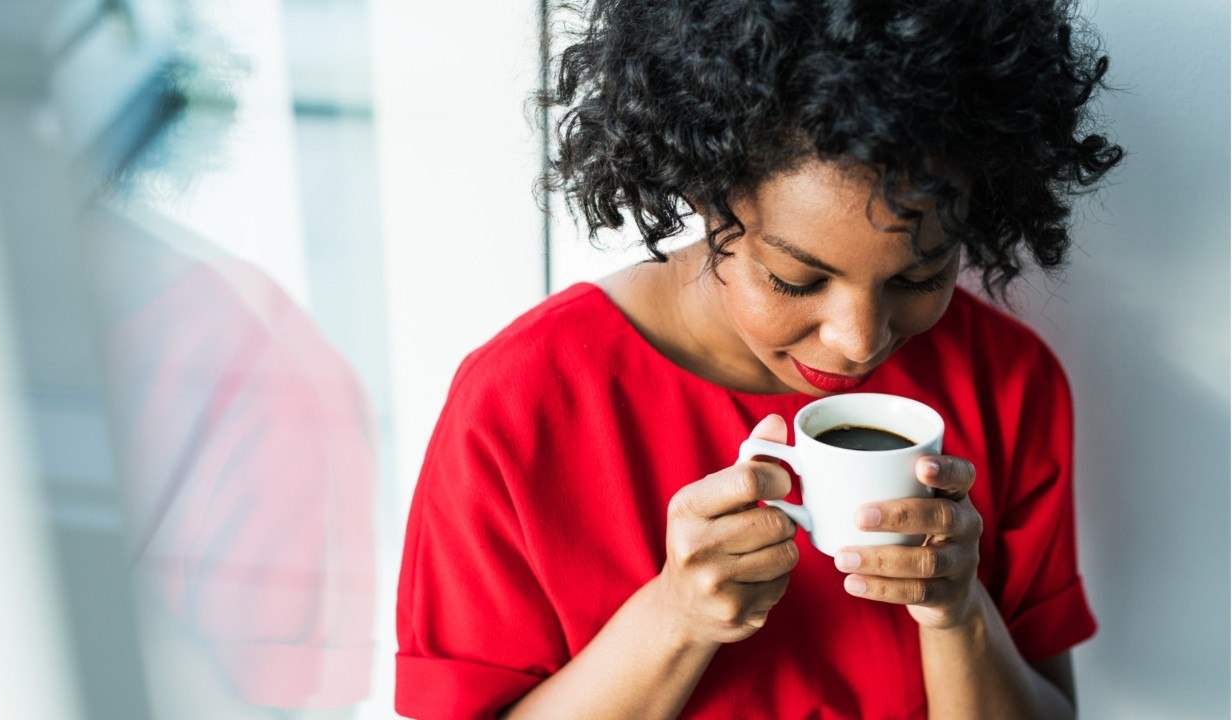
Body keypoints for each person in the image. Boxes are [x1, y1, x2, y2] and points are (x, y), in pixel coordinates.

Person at [395, 1, 1122, 717]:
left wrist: (959, 614)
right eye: (796, 279)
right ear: (706, 195)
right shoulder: (523, 404)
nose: (859, 340)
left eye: (919, 278)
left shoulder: (1008, 381)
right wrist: (676, 619)